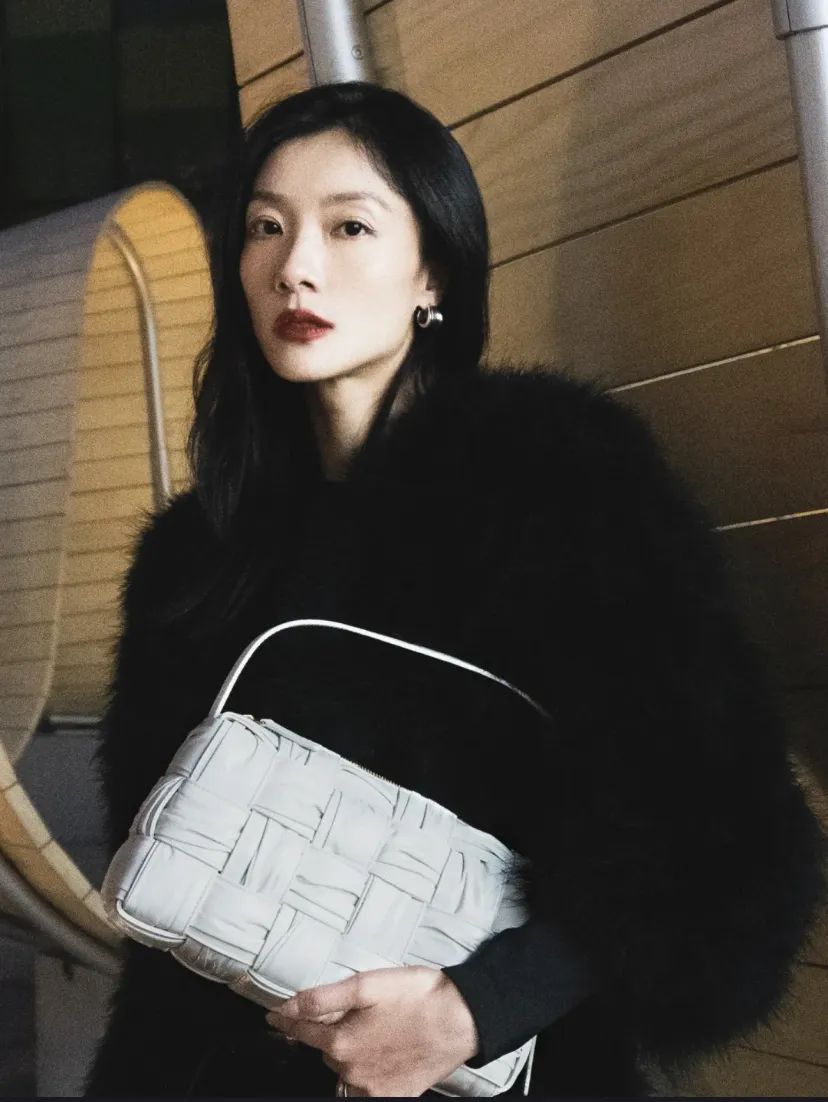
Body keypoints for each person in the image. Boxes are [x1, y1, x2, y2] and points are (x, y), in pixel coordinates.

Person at [83, 80, 825, 1098]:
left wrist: (472, 1011)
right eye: (265, 227)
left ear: (432, 270)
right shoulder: (196, 561)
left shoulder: (557, 486)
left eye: (349, 226)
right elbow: (166, 914)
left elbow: (726, 835)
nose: (295, 266)